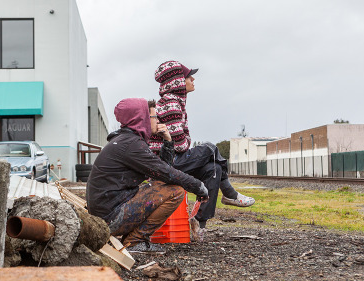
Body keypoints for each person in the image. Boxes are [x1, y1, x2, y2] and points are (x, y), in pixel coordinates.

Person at [86, 98, 209, 254]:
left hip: (108, 212)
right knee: (175, 191)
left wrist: (168, 141)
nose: (158, 121)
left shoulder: (126, 141)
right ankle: (134, 242)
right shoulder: (131, 145)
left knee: (163, 186)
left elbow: (162, 173)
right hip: (110, 219)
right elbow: (168, 173)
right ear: (142, 118)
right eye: (154, 117)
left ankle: (132, 240)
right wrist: (199, 187)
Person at [149, 60, 255, 237]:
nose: (193, 79)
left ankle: (199, 222)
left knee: (213, 169)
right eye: (188, 76)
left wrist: (186, 140)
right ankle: (229, 193)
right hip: (166, 164)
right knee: (210, 148)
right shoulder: (171, 105)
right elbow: (182, 145)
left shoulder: (175, 103)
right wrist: (187, 141)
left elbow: (182, 142)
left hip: (172, 161)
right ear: (177, 82)